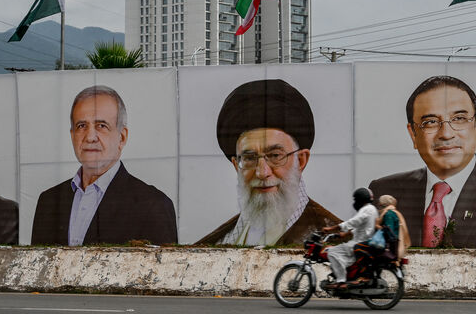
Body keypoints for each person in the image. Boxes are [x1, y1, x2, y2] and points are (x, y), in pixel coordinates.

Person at [196, 79, 340, 246]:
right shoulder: (215, 243)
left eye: (274, 155)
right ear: (236, 165)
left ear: (301, 161)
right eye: (249, 158)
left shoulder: (339, 243)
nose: (262, 172)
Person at [31, 85, 177, 246]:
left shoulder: (153, 206)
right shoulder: (49, 201)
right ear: (72, 135)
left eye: (101, 126)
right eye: (81, 126)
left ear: (122, 137)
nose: (90, 137)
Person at [369, 75, 476, 248]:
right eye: (431, 122)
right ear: (413, 134)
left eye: (459, 119)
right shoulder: (384, 191)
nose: (446, 134)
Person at [322, 187, 378, 289]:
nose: (355, 203)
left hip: (359, 243)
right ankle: (347, 276)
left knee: (332, 252)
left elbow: (353, 222)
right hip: (363, 241)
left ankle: (341, 281)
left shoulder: (366, 209)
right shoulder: (372, 209)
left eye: (356, 200)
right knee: (340, 253)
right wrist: (344, 234)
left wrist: (332, 228)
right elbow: (360, 226)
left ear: (360, 199)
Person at [377, 195, 411, 260]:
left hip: (390, 247)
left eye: (380, 203)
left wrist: (377, 225)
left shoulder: (388, 214)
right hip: (395, 245)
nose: (379, 205)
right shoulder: (394, 212)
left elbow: (389, 232)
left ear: (383, 204)